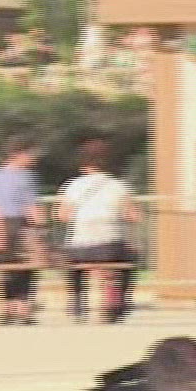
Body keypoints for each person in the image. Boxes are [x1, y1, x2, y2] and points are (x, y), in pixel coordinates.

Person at [58, 138, 141, 324]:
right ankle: (119, 301)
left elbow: (62, 216)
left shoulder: (73, 185)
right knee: (130, 257)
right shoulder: (118, 186)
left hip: (79, 246)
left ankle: (77, 304)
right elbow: (134, 216)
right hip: (108, 245)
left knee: (74, 261)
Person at [0, 138, 44, 325]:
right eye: (30, 154)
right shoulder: (26, 176)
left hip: (2, 223)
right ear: (19, 155)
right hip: (21, 223)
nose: (33, 158)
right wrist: (41, 228)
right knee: (27, 266)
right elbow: (31, 206)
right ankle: (23, 308)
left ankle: (7, 308)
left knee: (6, 267)